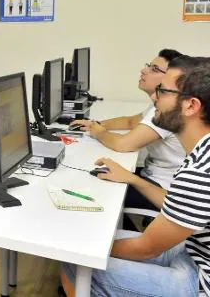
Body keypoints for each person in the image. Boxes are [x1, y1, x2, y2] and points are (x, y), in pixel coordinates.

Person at [61, 55, 210, 297]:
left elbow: (145, 249)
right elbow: (180, 205)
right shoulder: (203, 151)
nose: (155, 98)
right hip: (194, 253)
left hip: (199, 281)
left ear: (191, 106)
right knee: (90, 238)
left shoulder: (200, 171)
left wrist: (83, 249)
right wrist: (133, 179)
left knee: (76, 260)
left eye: (163, 91)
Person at [72, 50, 185, 228]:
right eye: (149, 65)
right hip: (155, 177)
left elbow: (124, 145)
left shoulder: (168, 110)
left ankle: (109, 237)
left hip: (164, 190)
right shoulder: (161, 103)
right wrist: (95, 124)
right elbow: (132, 121)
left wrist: (99, 133)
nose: (144, 70)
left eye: (154, 69)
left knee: (96, 186)